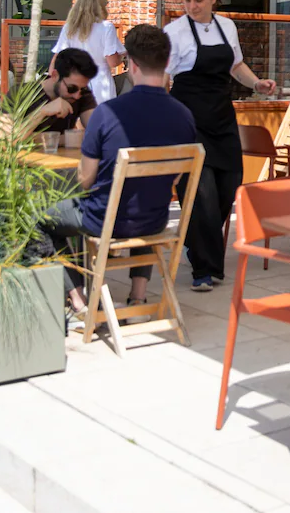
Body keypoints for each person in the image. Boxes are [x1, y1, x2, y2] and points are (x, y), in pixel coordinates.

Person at [43, 25, 197, 316]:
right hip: (155, 221)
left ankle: (79, 299)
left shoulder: (107, 113)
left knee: (40, 217)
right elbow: (175, 177)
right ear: (166, 62)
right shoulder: (185, 115)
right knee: (144, 195)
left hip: (104, 222)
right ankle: (138, 297)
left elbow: (85, 180)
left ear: (132, 65)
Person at [163, 0, 275, 291]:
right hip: (188, 119)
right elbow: (164, 78)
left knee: (229, 186)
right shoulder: (175, 32)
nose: (192, 6)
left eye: (198, 0)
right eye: (187, 0)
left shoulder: (227, 27)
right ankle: (204, 270)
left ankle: (193, 242)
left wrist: (257, 84)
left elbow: (236, 66)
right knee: (202, 193)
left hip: (222, 118)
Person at [50, 0, 125, 104]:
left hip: (74, 83)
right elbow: (112, 62)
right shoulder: (106, 27)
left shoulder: (69, 28)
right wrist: (122, 56)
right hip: (100, 83)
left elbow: (57, 59)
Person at [29, 47, 99, 135]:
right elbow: (13, 139)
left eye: (83, 90)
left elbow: (97, 130)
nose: (77, 96)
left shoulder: (81, 91)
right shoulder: (24, 94)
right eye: (71, 88)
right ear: (55, 76)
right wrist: (42, 112)